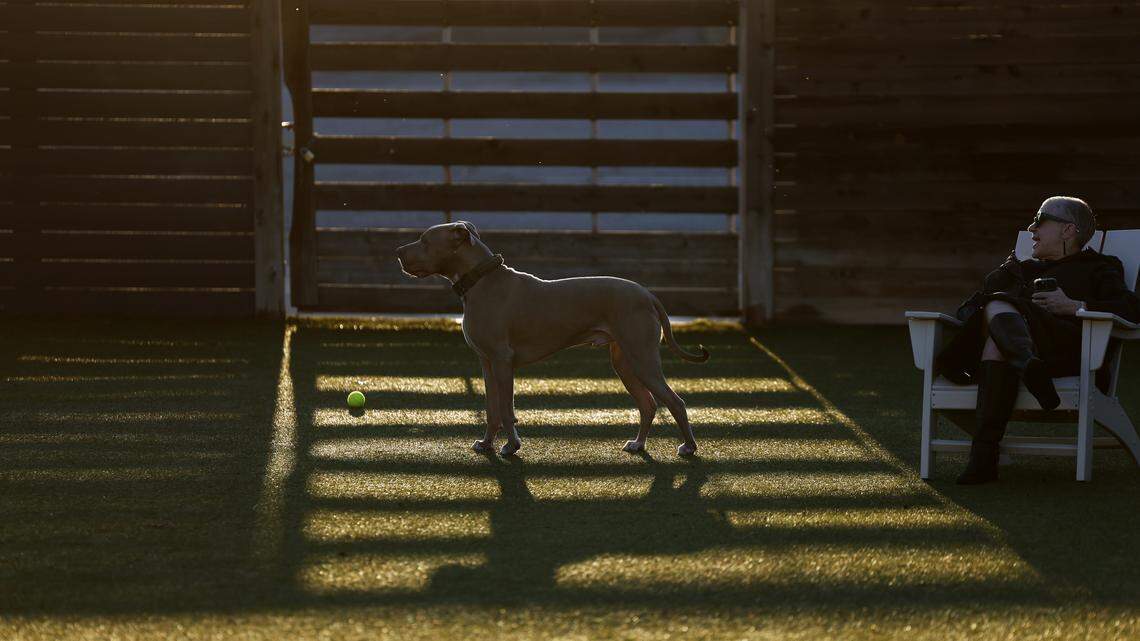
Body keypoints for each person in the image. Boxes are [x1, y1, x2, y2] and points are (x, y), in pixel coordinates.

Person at [935, 196, 1140, 484]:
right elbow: (967, 313)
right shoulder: (1024, 269)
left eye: (1040, 220)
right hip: (1024, 357)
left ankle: (985, 452)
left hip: (1070, 354)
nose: (1032, 228)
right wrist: (1000, 279)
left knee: (998, 308)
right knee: (996, 331)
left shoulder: (1101, 266)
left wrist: (1074, 305)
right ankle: (986, 453)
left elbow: (1131, 309)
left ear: (1068, 230)